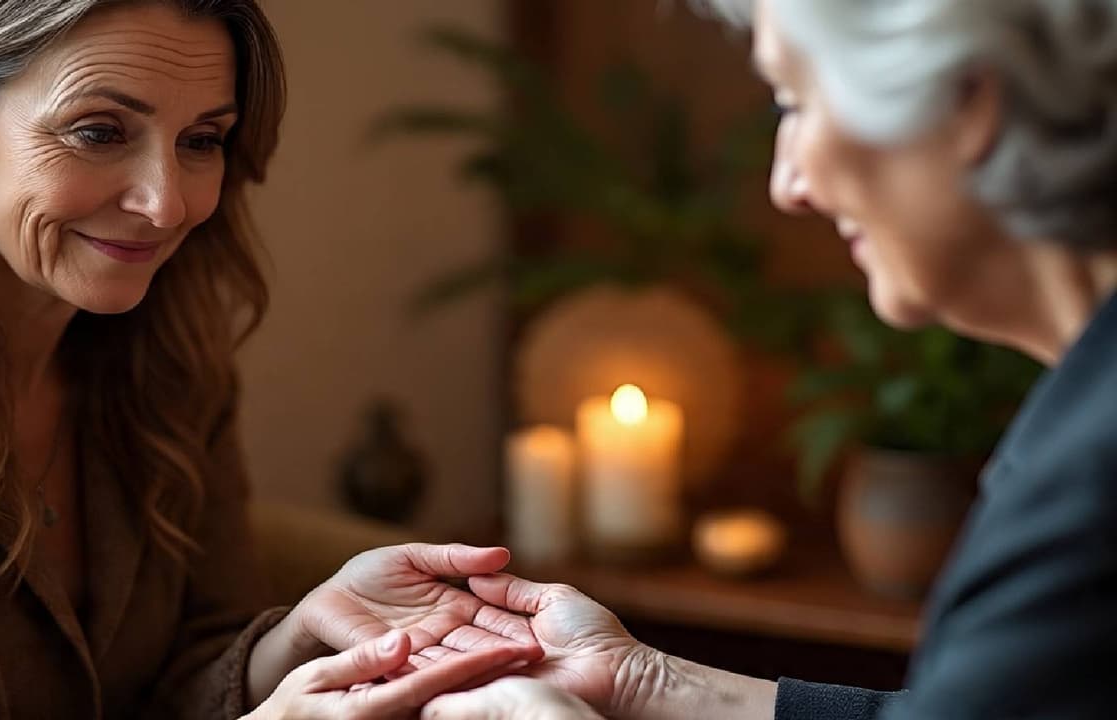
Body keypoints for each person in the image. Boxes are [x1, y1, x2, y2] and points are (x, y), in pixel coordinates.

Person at [0, 1, 540, 717]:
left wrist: (307, 633)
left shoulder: (167, 352)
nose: (166, 205)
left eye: (202, 140)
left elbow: (195, 663)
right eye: (99, 131)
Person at [420, 0, 1117, 718]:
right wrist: (638, 681)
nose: (788, 185)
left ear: (970, 99)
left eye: (796, 102)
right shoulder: (1085, 409)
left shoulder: (1092, 491)